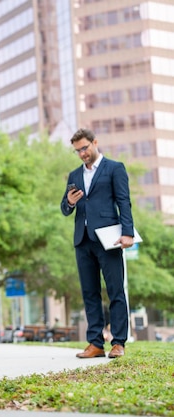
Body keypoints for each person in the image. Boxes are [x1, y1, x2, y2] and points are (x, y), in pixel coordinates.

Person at [61, 128, 134, 359]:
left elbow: (124, 202)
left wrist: (128, 233)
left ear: (94, 143)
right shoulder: (74, 175)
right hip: (83, 241)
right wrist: (70, 203)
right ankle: (95, 343)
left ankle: (118, 342)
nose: (82, 153)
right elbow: (65, 208)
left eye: (84, 148)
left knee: (115, 291)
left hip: (109, 239)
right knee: (89, 293)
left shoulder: (114, 168)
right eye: (77, 151)